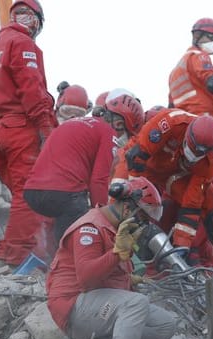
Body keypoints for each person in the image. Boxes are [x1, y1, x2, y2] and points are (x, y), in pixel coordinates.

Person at [46, 177, 176, 339]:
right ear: (127, 208)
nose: (143, 225)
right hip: (73, 307)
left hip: (94, 304)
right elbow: (86, 278)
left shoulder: (115, 230)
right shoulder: (90, 227)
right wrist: (117, 254)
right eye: (142, 218)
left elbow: (107, 277)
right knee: (135, 303)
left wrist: (128, 279)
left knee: (165, 324)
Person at [0, 0, 57, 268]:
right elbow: (31, 88)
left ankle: (15, 255)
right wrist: (46, 129)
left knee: (21, 198)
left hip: (0, 132)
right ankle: (15, 260)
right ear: (34, 20)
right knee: (30, 195)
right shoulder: (23, 44)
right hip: (21, 128)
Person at [24, 93, 144, 248]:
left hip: (33, 191)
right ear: (119, 124)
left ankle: (55, 261)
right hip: (62, 194)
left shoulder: (73, 123)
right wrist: (104, 220)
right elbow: (99, 181)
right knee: (85, 224)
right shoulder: (108, 132)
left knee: (66, 219)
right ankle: (69, 265)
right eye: (126, 135)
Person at [125, 108, 213, 257]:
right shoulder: (171, 122)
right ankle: (115, 237)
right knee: (126, 197)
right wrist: (133, 196)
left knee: (208, 198)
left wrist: (182, 245)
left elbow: (191, 205)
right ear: (187, 134)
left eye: (199, 154)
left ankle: (204, 250)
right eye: (192, 149)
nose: (193, 156)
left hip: (170, 175)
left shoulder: (208, 163)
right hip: (141, 164)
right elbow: (136, 157)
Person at [168, 18, 213, 117]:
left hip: (186, 122)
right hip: (206, 117)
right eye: (211, 37)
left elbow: (171, 105)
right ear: (197, 36)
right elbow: (212, 82)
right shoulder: (199, 56)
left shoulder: (174, 72)